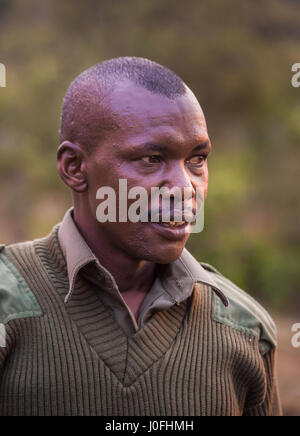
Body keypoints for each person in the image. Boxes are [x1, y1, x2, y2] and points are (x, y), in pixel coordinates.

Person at [0, 57, 282, 416]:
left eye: (197, 159)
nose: (185, 188)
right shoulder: (9, 308)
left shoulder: (244, 330)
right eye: (151, 158)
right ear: (74, 167)